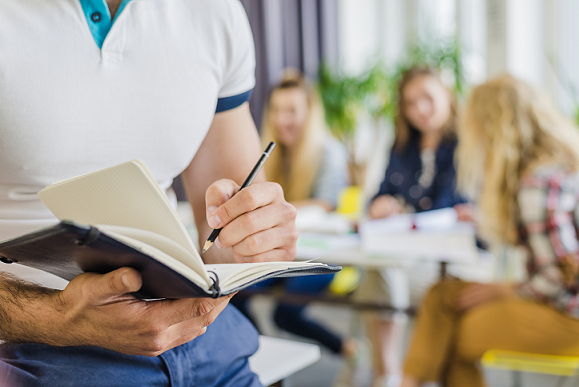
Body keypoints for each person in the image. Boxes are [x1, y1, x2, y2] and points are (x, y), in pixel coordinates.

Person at [0, 1, 298, 386]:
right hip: (35, 348)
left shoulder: (216, 13)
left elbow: (222, 241)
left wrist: (257, 235)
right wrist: (56, 316)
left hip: (205, 342)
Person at [401, 74, 579, 387]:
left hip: (568, 315)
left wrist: (505, 289)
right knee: (442, 295)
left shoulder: (537, 184)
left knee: (452, 334)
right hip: (557, 300)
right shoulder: (552, 168)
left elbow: (561, 276)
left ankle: (406, 382)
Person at [358, 66, 478, 387]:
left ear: (447, 96)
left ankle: (389, 375)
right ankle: (389, 372)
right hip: (407, 257)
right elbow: (382, 193)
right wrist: (380, 205)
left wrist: (405, 211)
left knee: (378, 279)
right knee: (378, 273)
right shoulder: (403, 148)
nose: (419, 110)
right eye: (410, 103)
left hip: (454, 261)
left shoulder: (467, 146)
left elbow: (447, 207)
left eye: (427, 98)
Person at [232, 71, 358, 363]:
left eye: (291, 111)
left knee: (285, 313)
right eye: (276, 110)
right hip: (280, 253)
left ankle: (346, 347)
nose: (282, 119)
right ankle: (257, 354)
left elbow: (326, 204)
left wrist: (273, 211)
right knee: (234, 291)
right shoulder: (270, 153)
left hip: (321, 254)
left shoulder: (329, 153)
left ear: (309, 113)